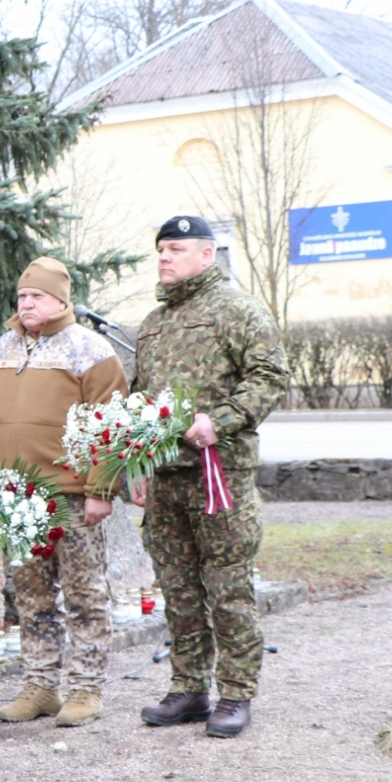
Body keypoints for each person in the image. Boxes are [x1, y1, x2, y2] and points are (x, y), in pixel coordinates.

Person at [129, 216, 287, 739]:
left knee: (228, 588)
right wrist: (135, 465)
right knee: (178, 590)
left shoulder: (237, 310)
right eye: (160, 251)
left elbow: (270, 376)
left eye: (175, 249)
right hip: (166, 480)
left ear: (206, 254)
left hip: (219, 476)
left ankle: (236, 694)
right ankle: (189, 687)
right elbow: (140, 399)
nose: (164, 258)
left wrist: (217, 422)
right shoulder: (152, 323)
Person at [0, 257, 128, 728]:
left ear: (61, 299)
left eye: (36, 295)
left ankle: (85, 690)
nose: (27, 302)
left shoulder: (90, 350)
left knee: (84, 596)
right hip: (18, 499)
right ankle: (40, 686)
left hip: (74, 497)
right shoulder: (2, 349)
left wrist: (101, 489)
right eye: (22, 296)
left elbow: (111, 425)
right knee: (32, 598)